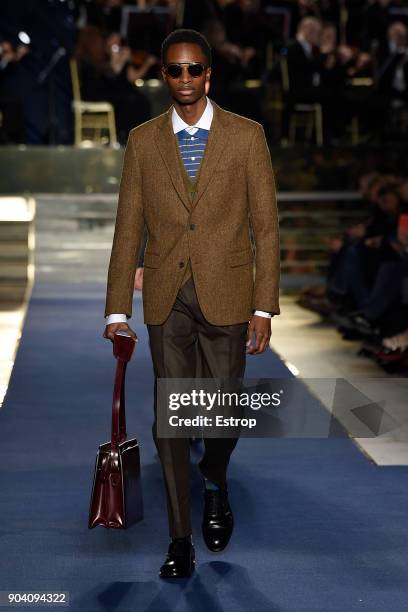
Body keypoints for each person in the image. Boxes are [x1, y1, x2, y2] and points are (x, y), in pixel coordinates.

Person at [102, 28, 280, 578]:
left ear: (209, 74)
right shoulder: (143, 140)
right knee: (172, 418)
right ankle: (180, 537)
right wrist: (116, 309)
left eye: (193, 70)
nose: (185, 79)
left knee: (223, 414)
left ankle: (216, 479)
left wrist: (265, 306)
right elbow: (128, 225)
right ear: (163, 75)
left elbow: (266, 227)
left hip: (228, 293)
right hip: (166, 297)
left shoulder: (247, 137)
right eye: (174, 71)